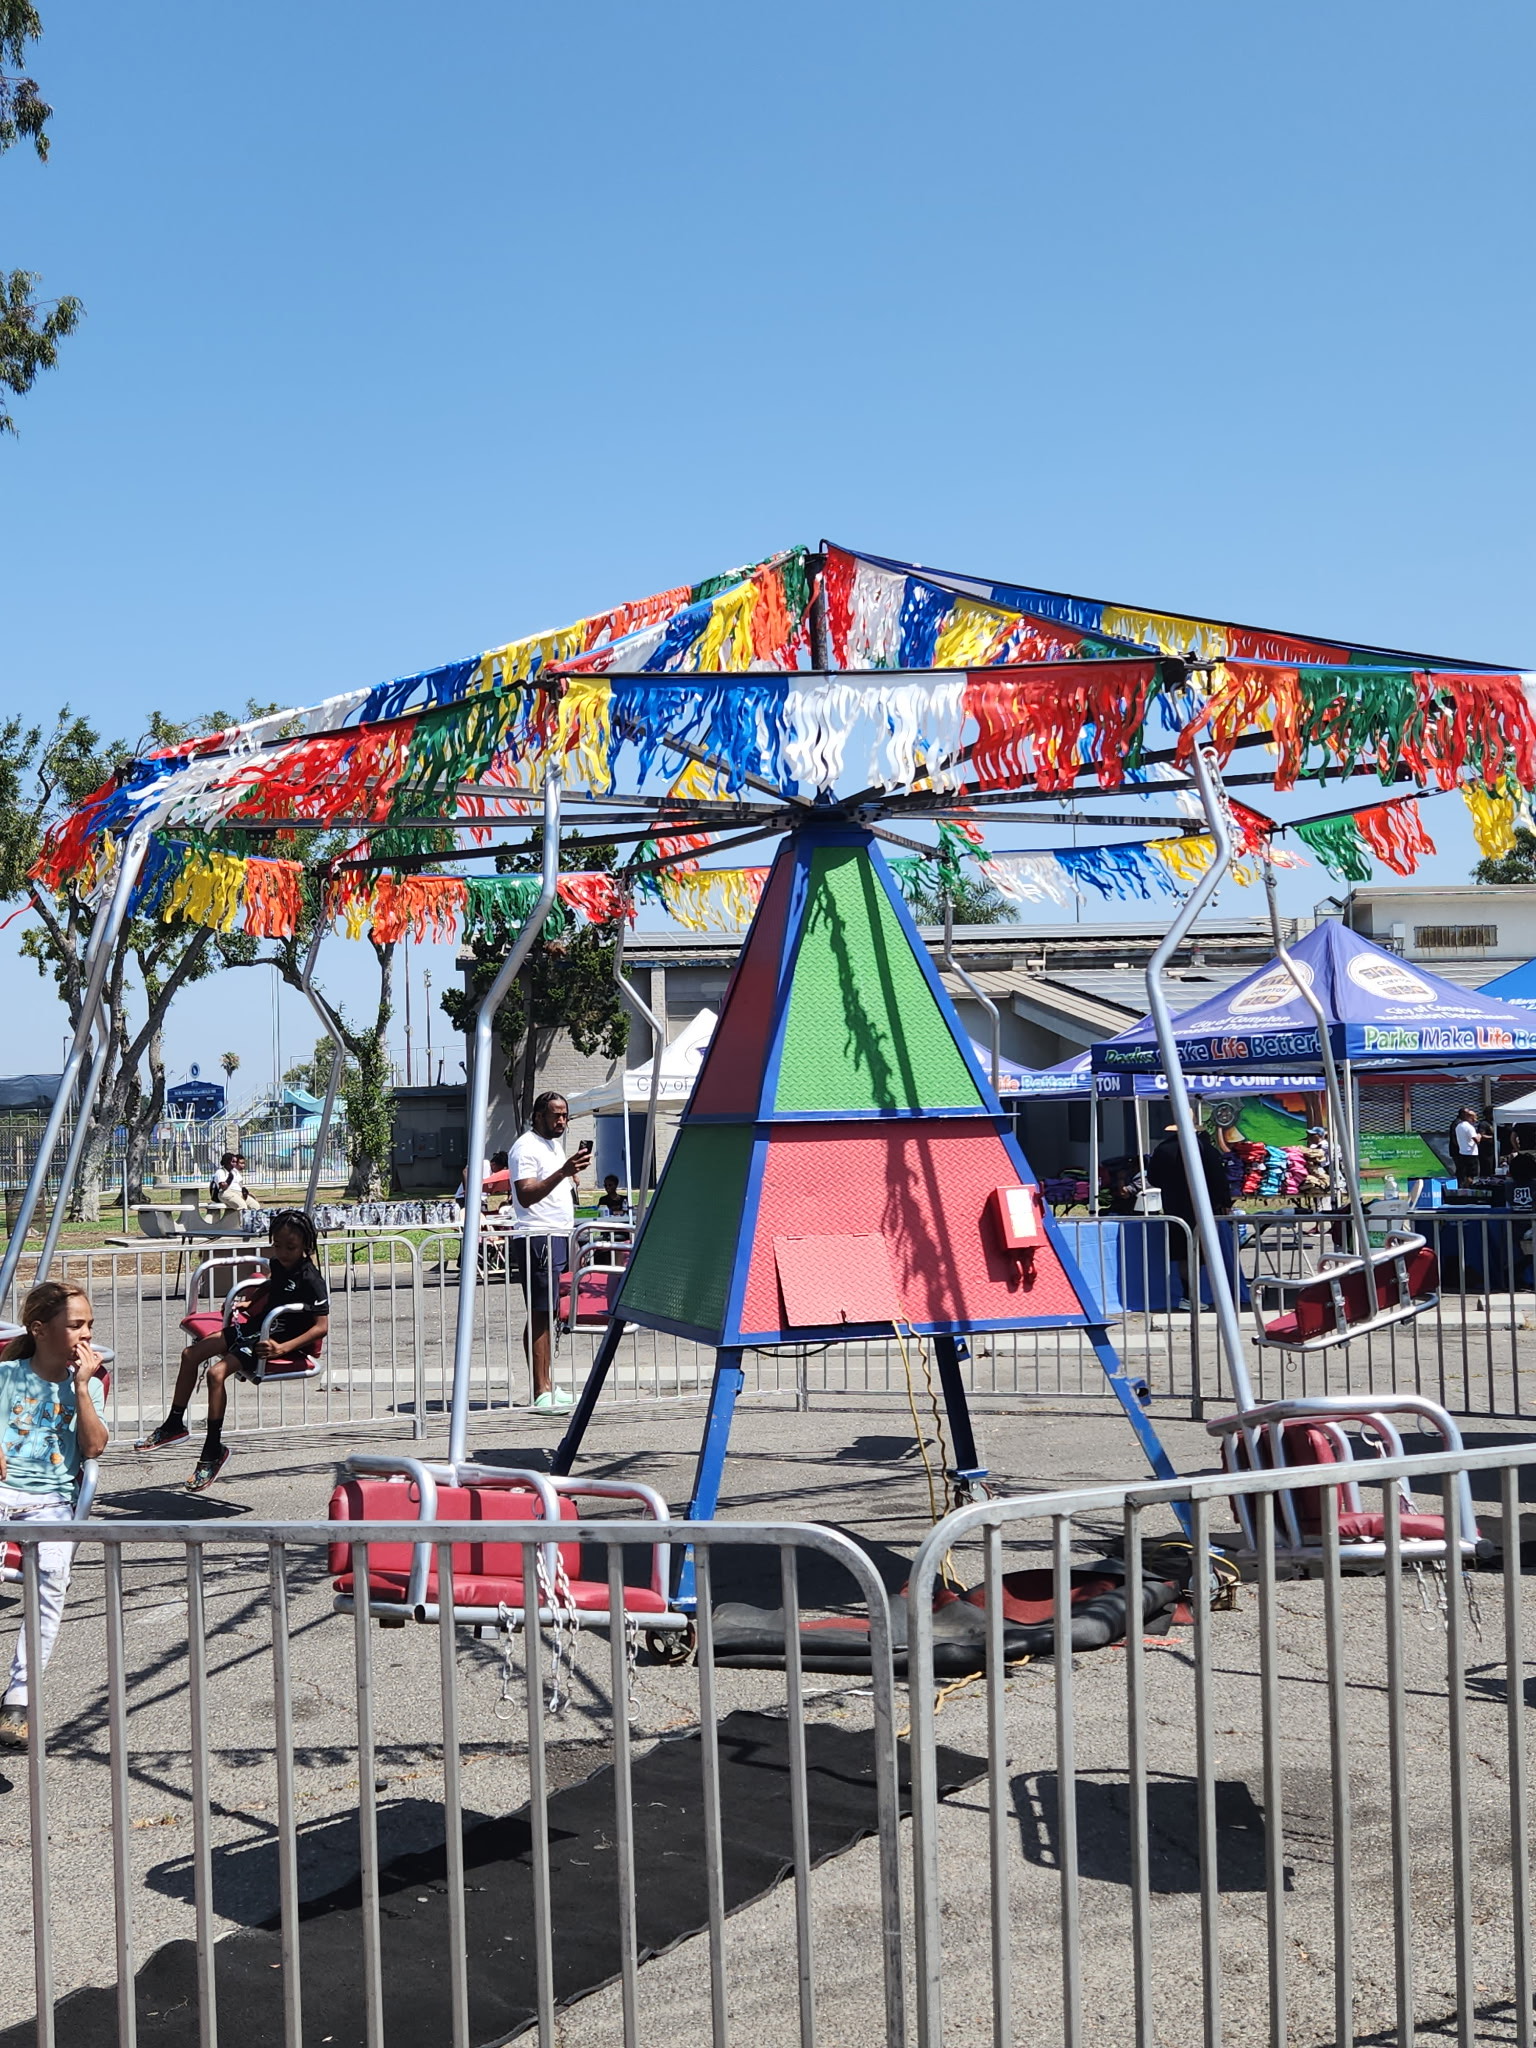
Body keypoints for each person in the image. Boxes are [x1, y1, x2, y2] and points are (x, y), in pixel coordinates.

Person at [135, 1209, 329, 1490]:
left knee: (216, 1374)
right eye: (277, 1245)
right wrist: (252, 1303)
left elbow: (321, 1326)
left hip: (273, 1342)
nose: (283, 1253)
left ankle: (213, 1450)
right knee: (191, 1355)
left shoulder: (312, 1280)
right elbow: (272, 1286)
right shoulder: (278, 1264)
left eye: (291, 1247)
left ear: (306, 1247)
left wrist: (280, 1349)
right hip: (257, 1328)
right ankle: (174, 1423)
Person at [0, 1280, 109, 1748]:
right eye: (76, 1326)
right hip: (2, 1492)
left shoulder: (86, 1385)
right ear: (40, 1329)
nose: (86, 1335)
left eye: (89, 1325)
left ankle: (18, 1700)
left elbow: (94, 1447)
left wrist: (82, 1387)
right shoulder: (7, 1378)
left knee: (51, 1576)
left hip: (48, 1501)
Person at [508, 1093, 591, 1414]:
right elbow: (526, 1194)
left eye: (565, 1116)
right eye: (555, 1115)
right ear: (538, 1115)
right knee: (541, 1312)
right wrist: (562, 1172)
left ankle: (547, 1385)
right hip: (537, 1236)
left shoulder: (551, 1146)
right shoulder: (526, 1147)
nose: (561, 1121)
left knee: (550, 1311)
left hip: (556, 1236)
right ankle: (541, 1389)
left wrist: (568, 1174)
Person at [1146, 1115, 1233, 1310]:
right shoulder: (1205, 1149)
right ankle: (1209, 1294)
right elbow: (1219, 1179)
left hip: (1174, 1208)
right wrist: (1225, 1201)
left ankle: (1188, 1295)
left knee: (1183, 1254)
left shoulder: (1163, 1149)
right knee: (1206, 1252)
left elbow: (1153, 1178)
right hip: (1203, 1208)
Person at [210, 1151, 254, 1215]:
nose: (235, 1164)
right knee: (242, 1206)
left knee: (255, 1206)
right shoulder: (220, 1172)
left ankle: (255, 1224)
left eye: (236, 1162)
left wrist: (244, 1190)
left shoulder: (235, 1172)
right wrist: (229, 1178)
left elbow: (240, 1183)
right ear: (227, 1162)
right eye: (233, 1162)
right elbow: (223, 1187)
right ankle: (244, 1224)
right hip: (226, 1193)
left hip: (238, 1192)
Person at [1450, 1106, 1482, 1189]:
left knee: (1463, 1172)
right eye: (1474, 1117)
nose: (1476, 1119)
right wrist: (1479, 1135)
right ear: (1469, 1117)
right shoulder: (1469, 1127)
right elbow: (1476, 1140)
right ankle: (1468, 1189)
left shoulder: (1458, 1126)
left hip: (1462, 1152)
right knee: (1471, 1174)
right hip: (1471, 1153)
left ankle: (1462, 1188)